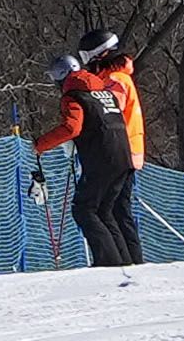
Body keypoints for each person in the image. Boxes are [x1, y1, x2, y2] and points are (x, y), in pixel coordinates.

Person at [32, 32, 145, 268]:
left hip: (104, 157)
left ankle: (109, 262)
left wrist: (41, 144)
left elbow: (72, 127)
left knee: (84, 209)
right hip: (123, 155)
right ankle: (125, 261)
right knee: (105, 210)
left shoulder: (77, 93)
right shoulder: (103, 88)